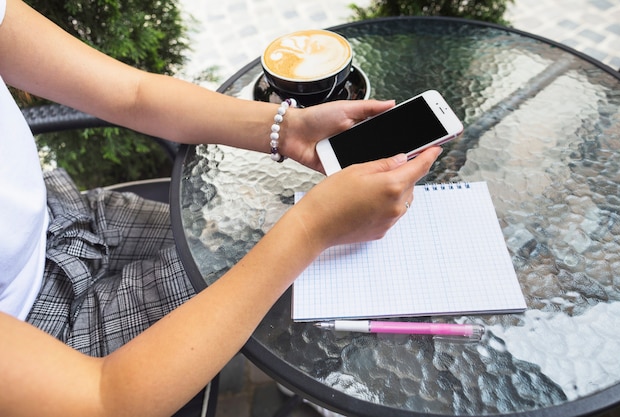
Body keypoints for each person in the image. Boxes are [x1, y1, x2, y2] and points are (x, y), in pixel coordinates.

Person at [0, 0, 442, 415]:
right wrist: (310, 227)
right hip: (50, 343)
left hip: (63, 225)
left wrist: (286, 130)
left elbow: (130, 92)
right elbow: (105, 398)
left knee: (280, 266)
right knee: (299, 291)